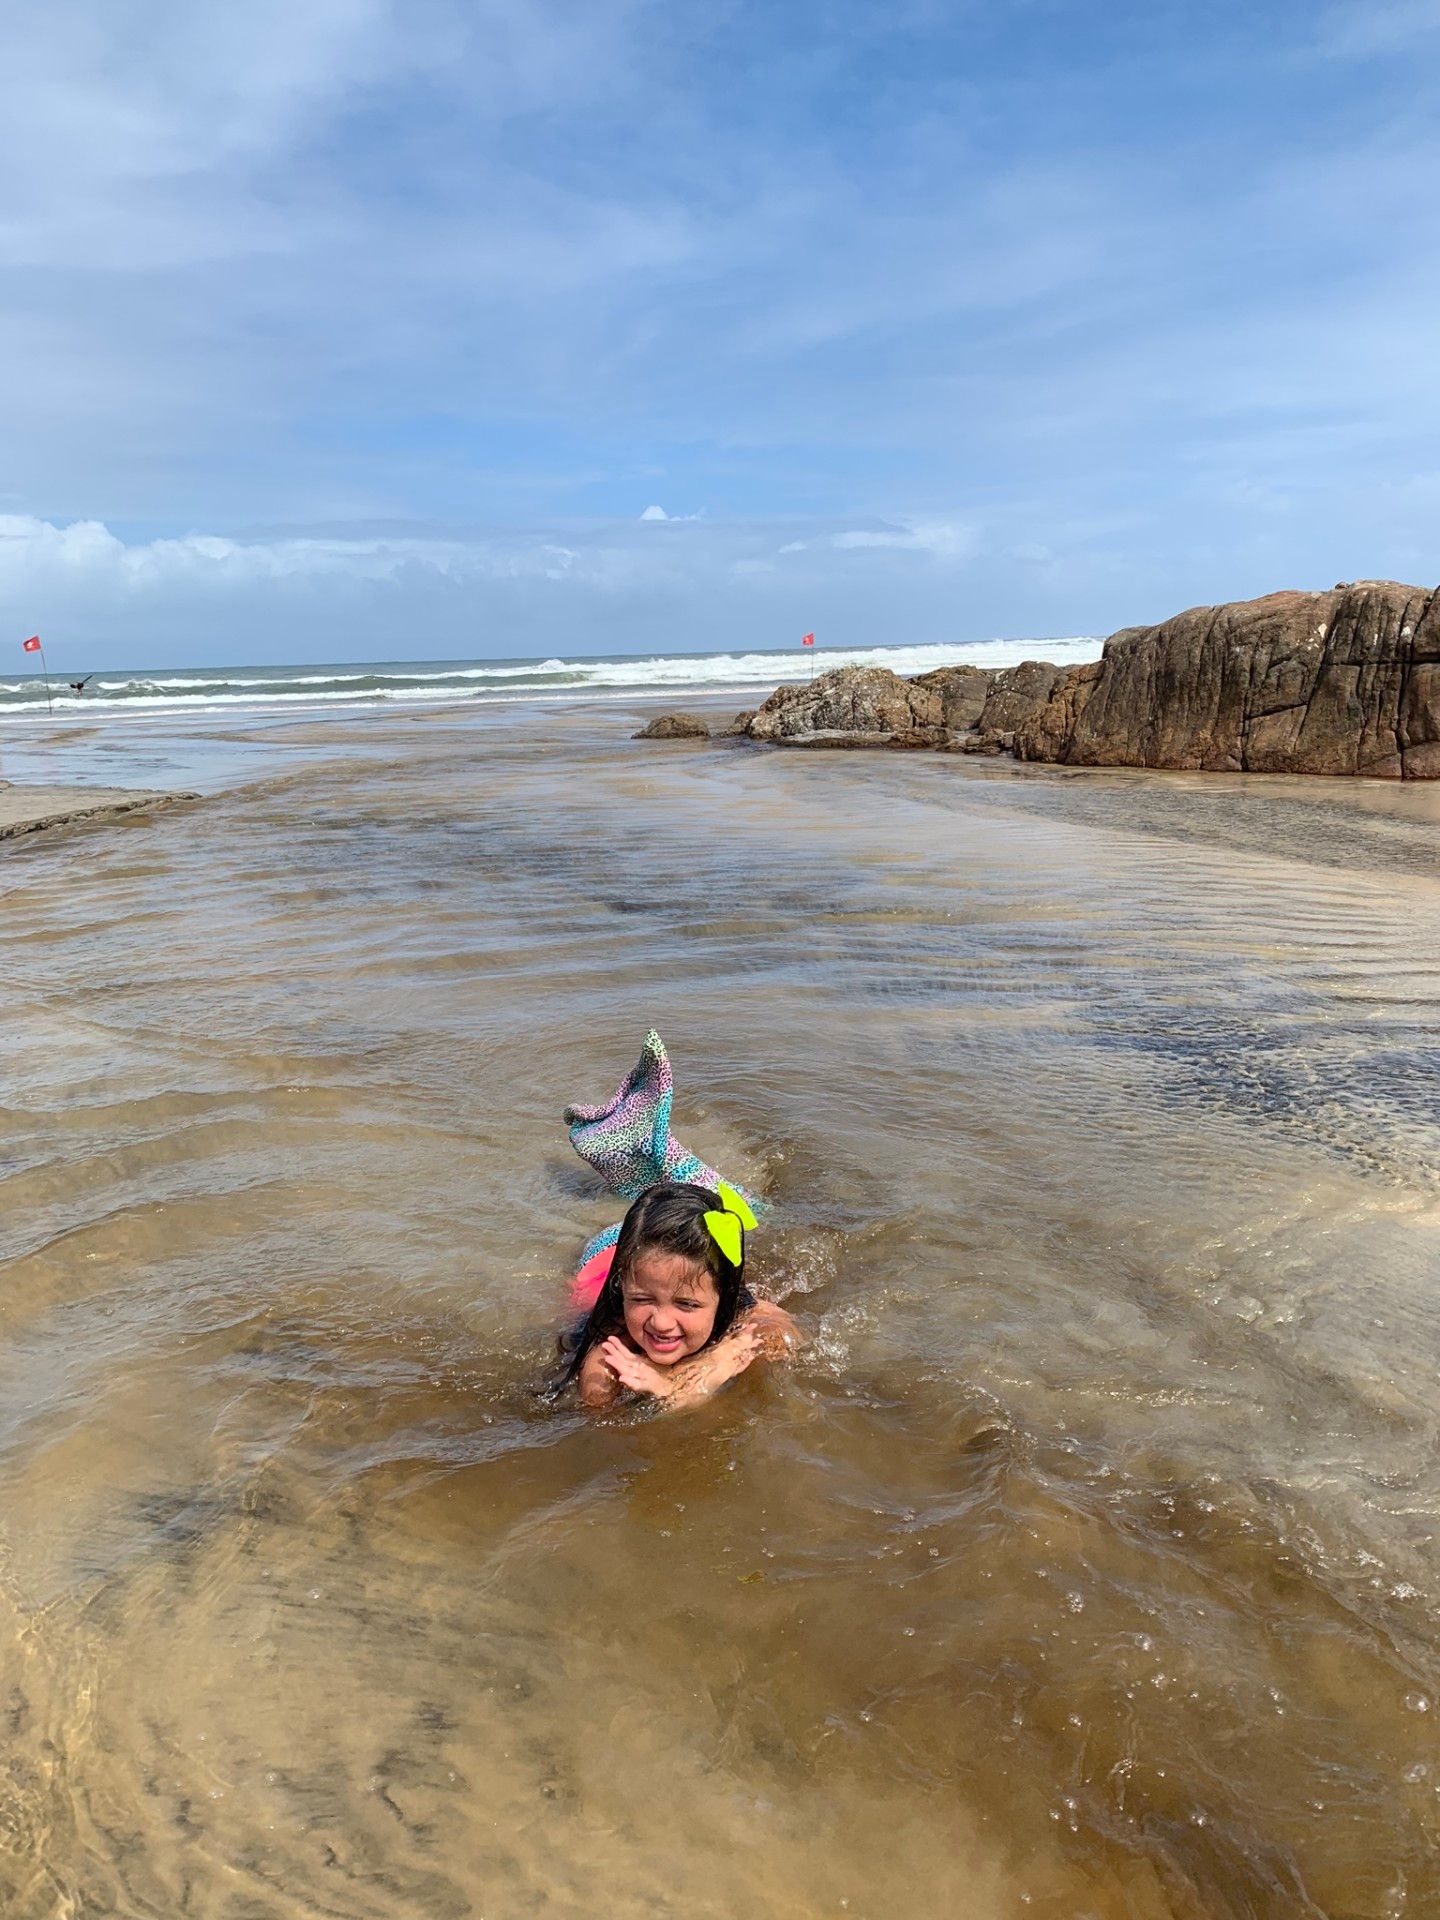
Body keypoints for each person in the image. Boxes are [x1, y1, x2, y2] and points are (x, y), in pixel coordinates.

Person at [549, 1180, 798, 1412]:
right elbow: (601, 1422)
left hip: (669, 1251)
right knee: (580, 1299)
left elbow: (787, 1334)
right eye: (641, 1300)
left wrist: (709, 1362)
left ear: (724, 1298)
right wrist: (676, 1389)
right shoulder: (607, 1358)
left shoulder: (734, 1303)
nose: (661, 1323)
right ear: (622, 1288)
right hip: (605, 1257)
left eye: (687, 1304)